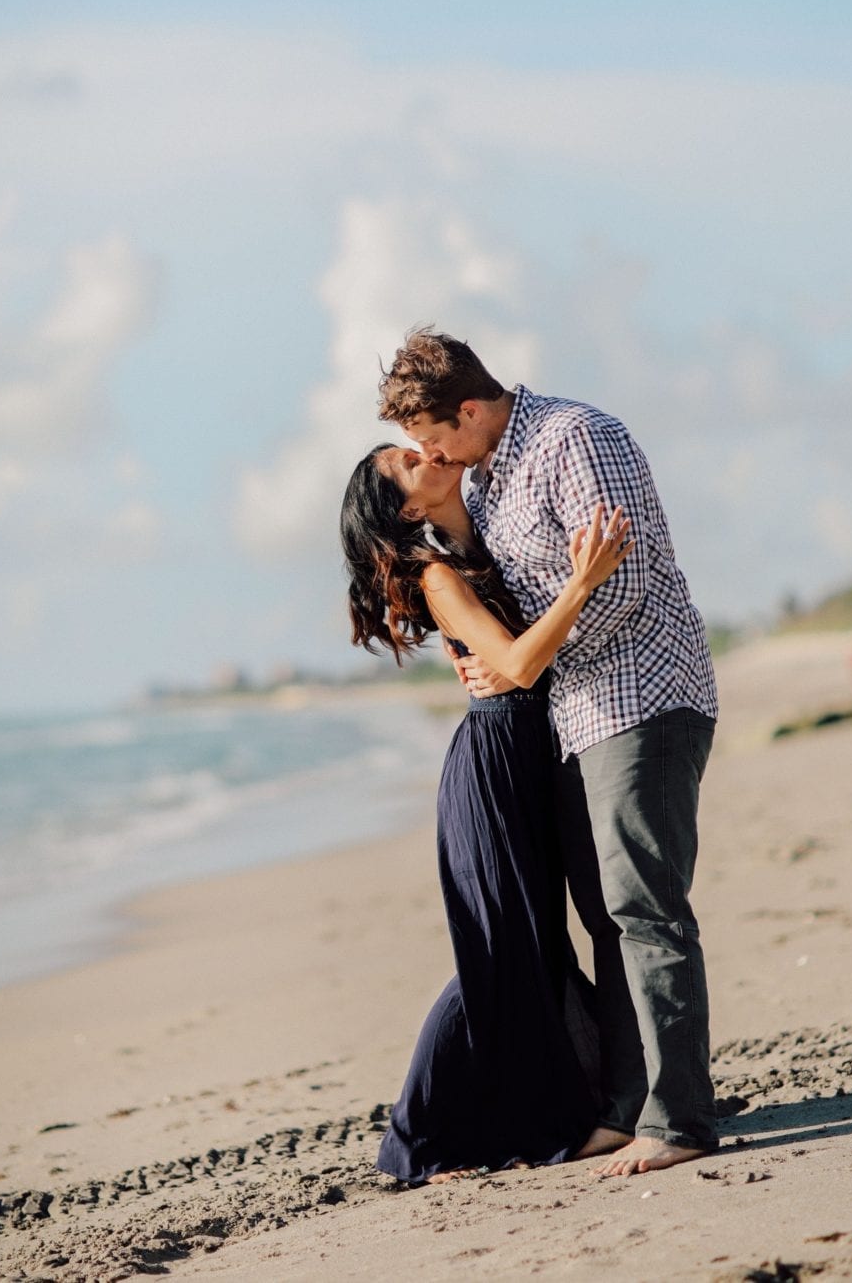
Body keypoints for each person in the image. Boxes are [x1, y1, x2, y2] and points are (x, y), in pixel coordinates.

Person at [378, 329, 720, 1176]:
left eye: (432, 439)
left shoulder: (575, 439)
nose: (431, 455)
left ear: (466, 409)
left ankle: (678, 1120)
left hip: (642, 697)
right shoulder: (488, 478)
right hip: (571, 718)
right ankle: (628, 1106)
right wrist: (495, 660)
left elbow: (625, 583)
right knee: (606, 919)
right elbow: (505, 608)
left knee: (645, 909)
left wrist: (520, 664)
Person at [340, 440, 633, 1184]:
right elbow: (517, 663)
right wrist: (583, 581)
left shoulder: (486, 539)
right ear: (409, 507)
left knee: (544, 952)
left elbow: (495, 655)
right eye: (405, 463)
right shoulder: (438, 573)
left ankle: (588, 1099)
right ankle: (414, 1140)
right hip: (494, 770)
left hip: (533, 755)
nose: (420, 451)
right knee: (500, 954)